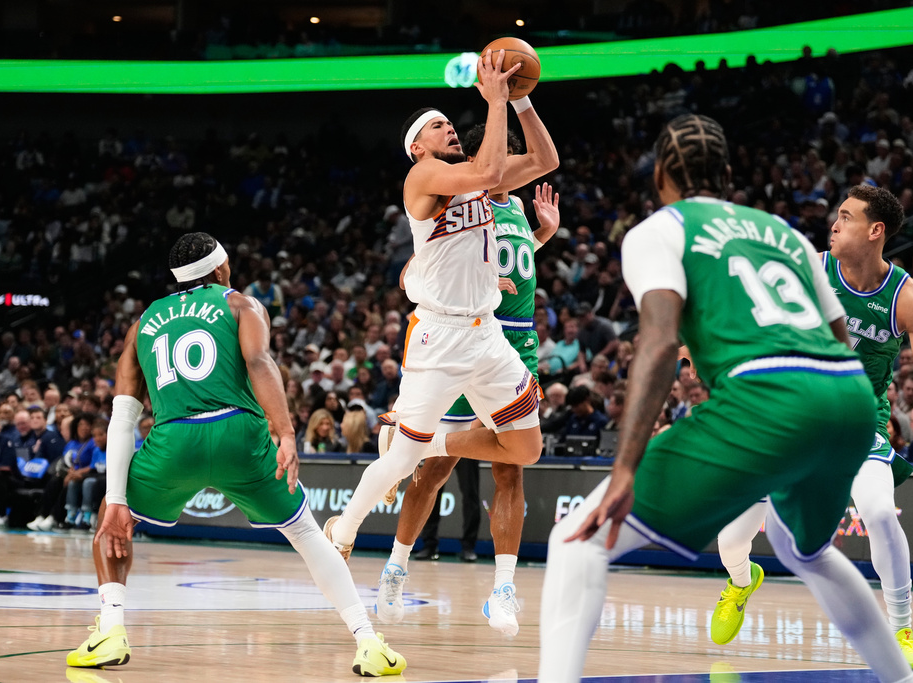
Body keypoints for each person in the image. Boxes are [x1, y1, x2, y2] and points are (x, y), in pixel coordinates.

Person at [538, 115, 913, 683]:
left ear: (662, 173)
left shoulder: (657, 230)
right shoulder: (782, 231)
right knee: (805, 552)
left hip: (768, 396)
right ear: (724, 174)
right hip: (847, 397)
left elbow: (661, 341)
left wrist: (626, 466)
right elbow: (840, 338)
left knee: (576, 543)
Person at [67, 233, 405, 677]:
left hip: (173, 438)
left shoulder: (144, 321)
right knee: (304, 532)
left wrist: (116, 500)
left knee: (112, 523)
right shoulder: (241, 304)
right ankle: (367, 641)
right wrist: (285, 431)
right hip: (238, 434)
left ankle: (111, 628)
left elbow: (123, 416)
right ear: (221, 269)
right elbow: (260, 363)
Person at [708, 184, 913, 676]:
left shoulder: (907, 299)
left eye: (846, 217)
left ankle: (902, 631)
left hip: (856, 424)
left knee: (878, 512)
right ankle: (742, 581)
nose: (834, 223)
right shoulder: (811, 270)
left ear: (875, 231)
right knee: (729, 541)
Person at [322, 48, 557, 568]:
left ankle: (439, 444)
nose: (449, 127)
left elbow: (545, 161)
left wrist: (520, 103)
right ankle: (343, 529)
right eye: (437, 125)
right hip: (439, 335)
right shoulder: (423, 179)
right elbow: (492, 167)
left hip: (488, 334)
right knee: (401, 461)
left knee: (525, 450)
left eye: (450, 121)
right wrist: (494, 99)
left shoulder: (480, 176)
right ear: (416, 147)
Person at [369, 122, 561, 636]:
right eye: (500, 154)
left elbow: (517, 265)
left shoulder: (516, 208)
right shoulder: (458, 199)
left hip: (516, 343)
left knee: (512, 466)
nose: (508, 164)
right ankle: (396, 566)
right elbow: (418, 271)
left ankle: (503, 588)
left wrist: (543, 235)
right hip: (470, 334)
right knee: (433, 473)